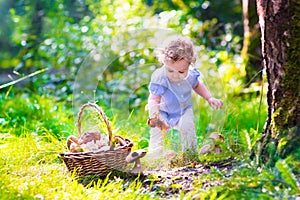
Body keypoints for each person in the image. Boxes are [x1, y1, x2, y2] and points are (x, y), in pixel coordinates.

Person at [147, 37, 223, 159]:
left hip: (183, 111)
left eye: (181, 72)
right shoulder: (160, 77)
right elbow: (154, 99)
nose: (175, 75)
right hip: (163, 111)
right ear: (164, 62)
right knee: (157, 132)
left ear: (190, 64)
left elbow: (197, 85)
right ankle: (155, 155)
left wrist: (209, 98)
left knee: (188, 127)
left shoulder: (191, 75)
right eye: (170, 70)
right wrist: (154, 113)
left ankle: (190, 154)